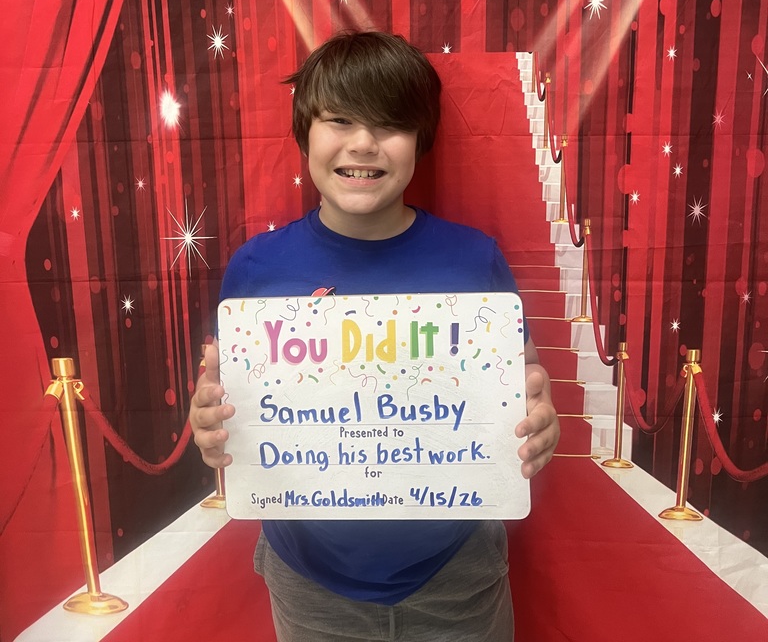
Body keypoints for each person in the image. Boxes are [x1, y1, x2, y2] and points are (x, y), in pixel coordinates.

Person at [190, 31, 560, 642]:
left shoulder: (474, 261)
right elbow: (228, 402)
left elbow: (523, 384)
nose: (363, 143)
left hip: (457, 574)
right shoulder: (256, 269)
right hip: (309, 580)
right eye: (338, 119)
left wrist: (537, 415)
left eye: (390, 124)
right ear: (305, 132)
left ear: (420, 141)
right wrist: (212, 422)